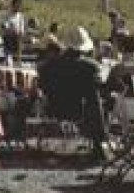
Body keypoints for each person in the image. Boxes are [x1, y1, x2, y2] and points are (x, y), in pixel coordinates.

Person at [37, 27, 107, 161]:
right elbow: (100, 87)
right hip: (82, 111)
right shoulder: (91, 67)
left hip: (54, 108)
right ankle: (99, 143)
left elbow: (42, 87)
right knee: (96, 99)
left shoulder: (49, 65)